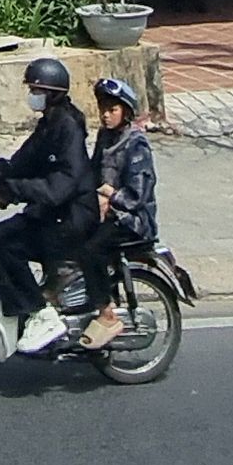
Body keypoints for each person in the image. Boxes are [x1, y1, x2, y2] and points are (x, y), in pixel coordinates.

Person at [0, 56, 91, 355]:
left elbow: (59, 188)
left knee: (6, 245)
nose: (32, 96)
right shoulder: (49, 125)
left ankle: (41, 313)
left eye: (37, 91)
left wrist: (13, 190)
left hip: (70, 219)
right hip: (50, 214)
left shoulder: (69, 128)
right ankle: (23, 310)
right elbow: (21, 163)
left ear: (52, 93)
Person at [74, 75, 157, 350]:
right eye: (103, 109)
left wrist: (110, 196)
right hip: (109, 214)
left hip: (133, 221)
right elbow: (93, 172)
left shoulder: (136, 144)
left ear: (126, 112)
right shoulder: (105, 137)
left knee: (91, 250)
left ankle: (106, 312)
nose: (106, 115)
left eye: (113, 110)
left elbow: (138, 195)